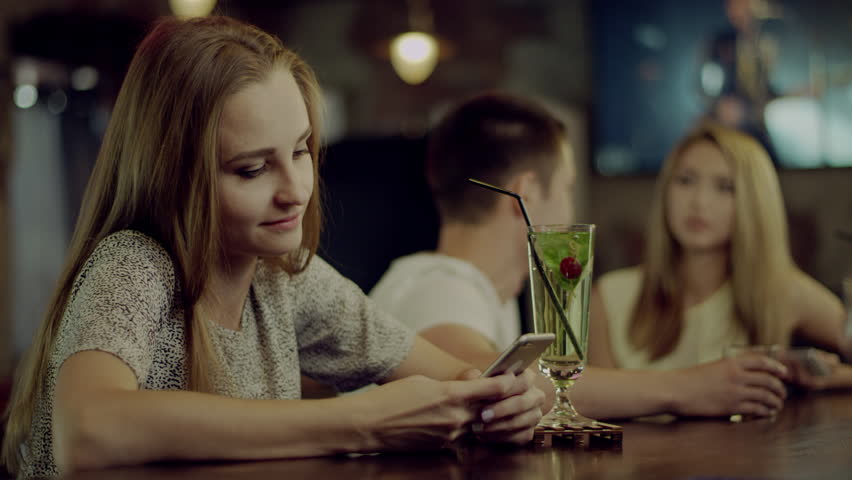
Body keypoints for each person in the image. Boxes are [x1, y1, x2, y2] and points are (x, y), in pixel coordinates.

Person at [0, 17, 546, 478]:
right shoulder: (135, 262)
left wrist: (509, 401)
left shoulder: (284, 278)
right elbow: (89, 431)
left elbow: (457, 376)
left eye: (303, 150)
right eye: (252, 168)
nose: (295, 191)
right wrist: (363, 421)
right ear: (175, 175)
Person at [370, 93, 797, 422]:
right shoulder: (439, 285)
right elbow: (487, 379)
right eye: (569, 188)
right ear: (528, 192)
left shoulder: (486, 298)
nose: (573, 209)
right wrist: (688, 389)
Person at [586, 122, 852, 417]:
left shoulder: (782, 290)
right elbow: (594, 421)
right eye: (686, 180)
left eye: (725, 187)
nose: (699, 202)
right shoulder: (608, 299)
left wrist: (827, 378)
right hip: (637, 463)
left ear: (754, 202)